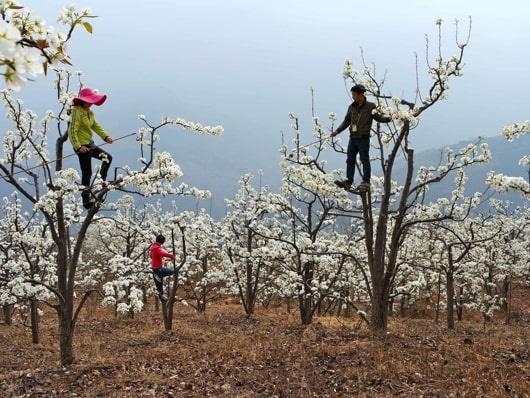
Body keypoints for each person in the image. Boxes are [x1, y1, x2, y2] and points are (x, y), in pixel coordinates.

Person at [330, 84, 391, 192]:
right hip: (353, 137)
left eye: (354, 94)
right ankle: (348, 182)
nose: (352, 97)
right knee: (350, 159)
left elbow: (378, 117)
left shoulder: (371, 106)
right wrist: (337, 131)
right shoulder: (351, 107)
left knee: (364, 159)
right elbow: (347, 121)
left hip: (363, 138)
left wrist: (388, 119)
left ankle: (366, 182)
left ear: (360, 94)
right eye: (352, 94)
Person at [68, 87, 114, 209]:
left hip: (90, 144)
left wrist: (106, 136)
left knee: (107, 158)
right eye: (89, 101)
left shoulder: (90, 112)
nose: (91, 103)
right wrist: (78, 147)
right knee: (87, 172)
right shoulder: (76, 112)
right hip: (81, 146)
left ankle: (102, 182)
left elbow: (95, 125)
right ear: (82, 100)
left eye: (91, 101)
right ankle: (86, 200)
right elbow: (72, 131)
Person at [149, 234, 176, 301]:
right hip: (158, 269)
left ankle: (162, 297)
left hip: (155, 269)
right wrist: (172, 256)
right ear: (162, 242)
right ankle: (158, 276)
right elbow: (163, 253)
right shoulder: (158, 248)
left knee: (160, 286)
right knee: (172, 271)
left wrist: (163, 259)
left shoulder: (153, 247)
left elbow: (152, 256)